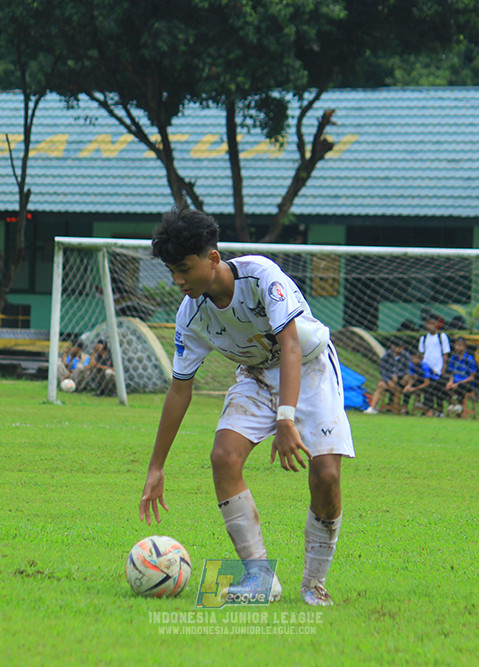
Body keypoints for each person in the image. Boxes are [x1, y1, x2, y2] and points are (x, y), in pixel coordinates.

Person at [139, 207, 355, 607]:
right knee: (224, 456)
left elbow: (290, 344)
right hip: (255, 374)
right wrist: (156, 467)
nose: (178, 280)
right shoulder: (191, 315)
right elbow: (179, 390)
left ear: (213, 258)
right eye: (172, 271)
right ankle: (259, 578)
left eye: (184, 268)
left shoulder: (261, 276)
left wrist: (285, 418)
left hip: (309, 368)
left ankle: (314, 583)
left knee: (326, 475)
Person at [363, 339, 408, 414]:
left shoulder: (406, 356)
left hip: (401, 381)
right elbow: (382, 371)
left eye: (401, 348)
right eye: (398, 347)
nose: (400, 349)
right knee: (380, 385)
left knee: (406, 379)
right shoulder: (387, 356)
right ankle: (372, 407)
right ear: (393, 347)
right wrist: (389, 380)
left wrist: (397, 375)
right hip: (388, 380)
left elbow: (407, 370)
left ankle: (403, 408)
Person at [444, 337, 477, 417]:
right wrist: (450, 382)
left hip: (466, 383)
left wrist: (457, 383)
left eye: (460, 345)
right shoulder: (453, 358)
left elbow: (472, 377)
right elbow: (452, 373)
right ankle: (453, 404)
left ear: (464, 346)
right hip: (455, 382)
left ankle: (460, 406)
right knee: (441, 383)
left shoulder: (469, 359)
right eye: (456, 345)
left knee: (461, 386)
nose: (457, 347)